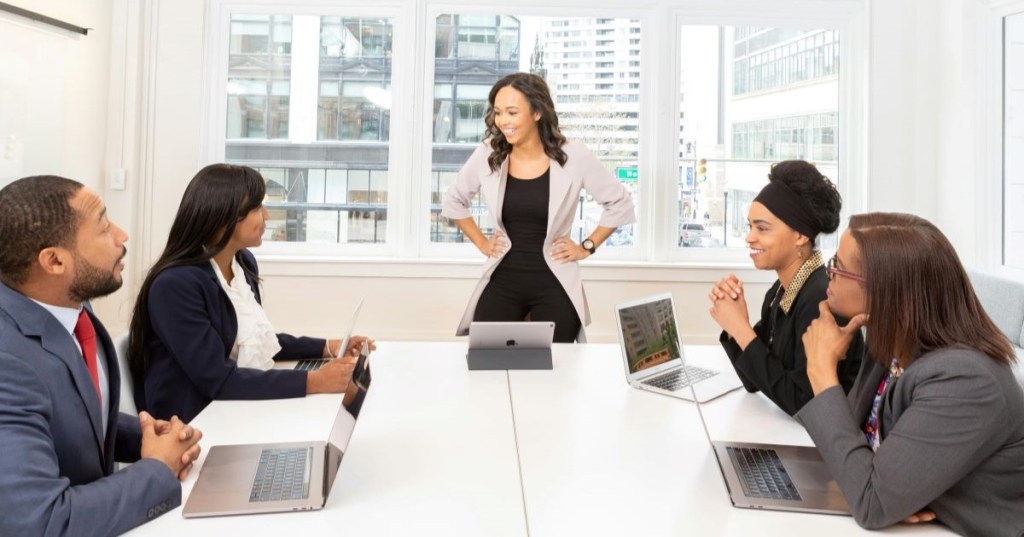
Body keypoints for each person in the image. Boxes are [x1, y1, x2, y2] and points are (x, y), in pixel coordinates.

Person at [0, 176, 202, 535]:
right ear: (54, 261)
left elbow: (67, 414)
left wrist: (147, 437)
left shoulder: (70, 304)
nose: (122, 235)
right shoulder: (7, 362)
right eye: (104, 227)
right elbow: (42, 522)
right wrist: (157, 469)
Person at [799, 213, 1024, 535]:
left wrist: (821, 370)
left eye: (839, 266)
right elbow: (852, 450)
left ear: (887, 292)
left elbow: (871, 503)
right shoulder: (888, 342)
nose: (828, 274)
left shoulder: (966, 381)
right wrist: (889, 493)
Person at [130, 164, 372, 423]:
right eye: (257, 208)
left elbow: (257, 341)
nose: (266, 215)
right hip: (195, 420)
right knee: (331, 403)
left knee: (341, 399)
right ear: (223, 218)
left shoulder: (242, 263)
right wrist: (314, 381)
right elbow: (217, 379)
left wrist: (326, 347)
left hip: (232, 402)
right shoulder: (174, 286)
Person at [443, 72, 635, 343]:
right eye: (498, 113)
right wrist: (483, 244)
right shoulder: (488, 154)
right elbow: (454, 200)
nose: (503, 121)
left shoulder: (573, 155)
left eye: (512, 112)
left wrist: (586, 247)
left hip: (554, 282)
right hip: (503, 279)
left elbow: (620, 203)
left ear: (537, 112)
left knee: (556, 364)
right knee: (487, 357)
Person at [709, 161, 863, 415]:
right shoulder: (780, 292)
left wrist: (740, 329)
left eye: (762, 228)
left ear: (800, 235)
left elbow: (804, 404)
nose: (749, 237)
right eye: (749, 226)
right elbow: (755, 380)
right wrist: (736, 324)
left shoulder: (821, 299)